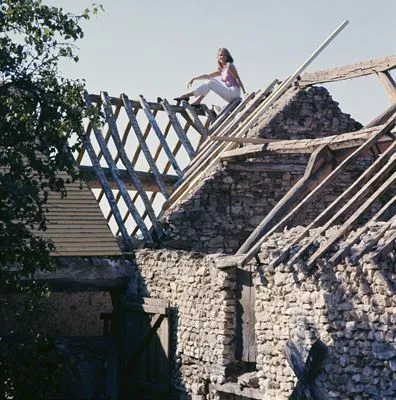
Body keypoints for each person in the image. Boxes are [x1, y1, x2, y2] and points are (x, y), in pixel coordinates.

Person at [174, 48, 246, 106]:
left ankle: (185, 96)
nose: (222, 57)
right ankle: (197, 101)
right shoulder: (221, 69)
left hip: (234, 93)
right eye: (220, 55)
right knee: (209, 80)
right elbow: (207, 76)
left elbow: (237, 79)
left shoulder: (230, 65)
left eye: (224, 55)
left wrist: (244, 93)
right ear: (218, 57)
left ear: (227, 57)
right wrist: (194, 78)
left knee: (210, 83)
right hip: (229, 92)